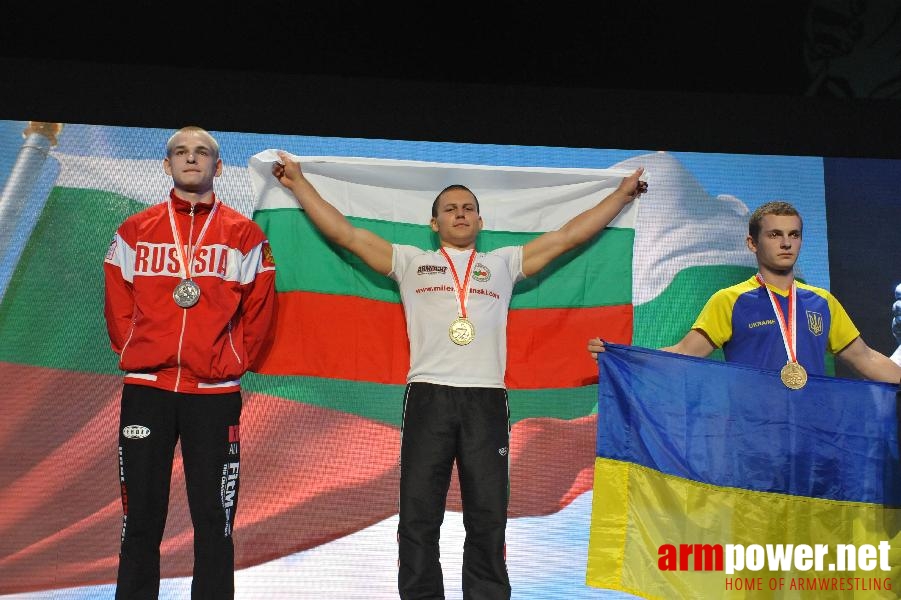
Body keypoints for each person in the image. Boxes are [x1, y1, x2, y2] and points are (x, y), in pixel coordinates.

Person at [271, 152, 646, 600]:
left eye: (467, 207)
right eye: (450, 209)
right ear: (434, 225)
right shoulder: (409, 262)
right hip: (428, 396)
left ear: (480, 220)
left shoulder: (504, 264)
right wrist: (297, 184)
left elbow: (567, 237)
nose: (460, 213)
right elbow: (345, 234)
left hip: (486, 399)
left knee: (487, 513)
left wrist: (620, 195)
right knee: (418, 513)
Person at [103, 126, 277, 599]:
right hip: (147, 392)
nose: (191, 159)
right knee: (139, 520)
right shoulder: (135, 230)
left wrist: (236, 359)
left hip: (214, 396)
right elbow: (118, 302)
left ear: (218, 167)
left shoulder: (244, 235)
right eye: (180, 152)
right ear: (167, 165)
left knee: (214, 523)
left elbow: (260, 311)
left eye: (202, 153)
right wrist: (134, 353)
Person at [588, 201, 901, 385]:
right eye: (775, 234)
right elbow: (685, 353)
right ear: (753, 243)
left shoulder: (822, 302)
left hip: (813, 433)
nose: (786, 243)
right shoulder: (729, 300)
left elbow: (866, 358)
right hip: (751, 436)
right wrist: (620, 355)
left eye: (794, 235)